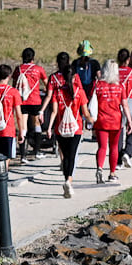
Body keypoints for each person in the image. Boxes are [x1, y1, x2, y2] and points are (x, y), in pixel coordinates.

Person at [43, 52, 91, 197]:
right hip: (75, 127)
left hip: (60, 127)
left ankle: (66, 178)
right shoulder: (79, 90)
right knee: (72, 156)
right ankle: (69, 181)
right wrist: (92, 121)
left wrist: (50, 127)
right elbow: (86, 112)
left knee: (64, 156)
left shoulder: (56, 89)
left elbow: (53, 110)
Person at [91, 58, 129, 181]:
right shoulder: (120, 87)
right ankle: (112, 173)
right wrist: (129, 120)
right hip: (115, 120)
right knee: (114, 147)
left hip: (101, 120)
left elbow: (91, 102)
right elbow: (125, 105)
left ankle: (99, 168)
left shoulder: (97, 85)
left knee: (102, 147)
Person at [14, 50, 48, 158]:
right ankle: (36, 151)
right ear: (33, 57)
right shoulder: (38, 69)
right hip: (35, 100)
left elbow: (15, 85)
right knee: (37, 124)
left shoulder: (18, 69)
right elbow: (47, 84)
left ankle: (23, 155)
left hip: (22, 100)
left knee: (23, 127)